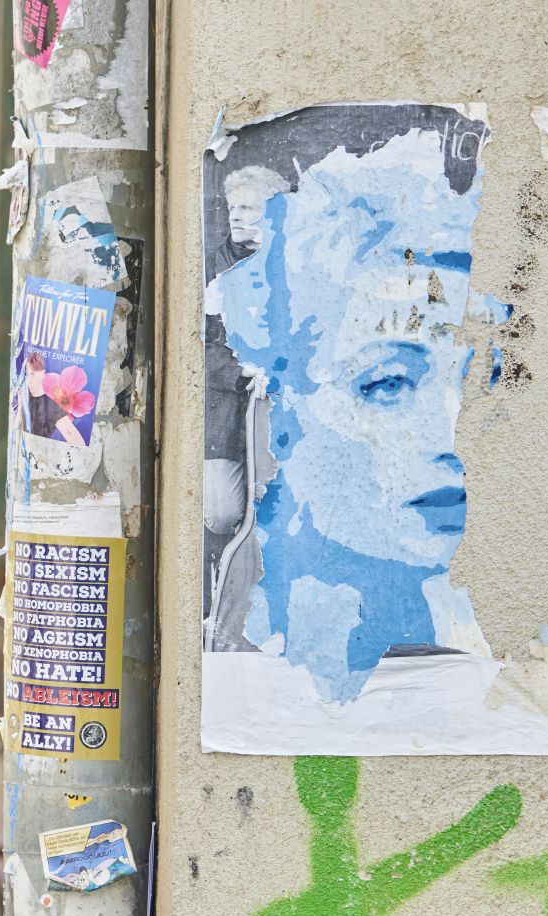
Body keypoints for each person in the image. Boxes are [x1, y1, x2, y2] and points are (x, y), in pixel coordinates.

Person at [210, 129, 502, 702]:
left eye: (475, 377)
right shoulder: (261, 650)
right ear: (289, 411)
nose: (449, 430)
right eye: (389, 382)